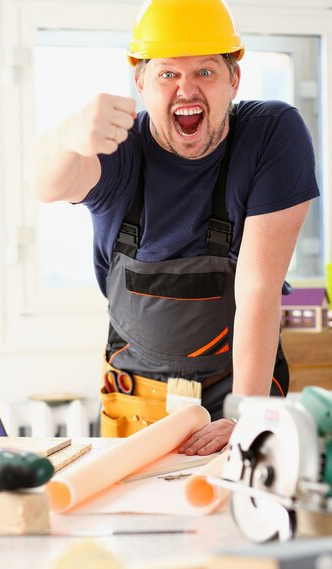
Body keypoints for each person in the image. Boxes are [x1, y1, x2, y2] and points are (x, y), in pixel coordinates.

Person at [26, 0, 319, 455]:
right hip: (137, 402)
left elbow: (258, 286)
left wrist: (246, 416)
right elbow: (45, 185)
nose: (186, 90)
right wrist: (66, 136)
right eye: (167, 74)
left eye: (205, 72)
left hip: (239, 389)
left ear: (233, 80)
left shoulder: (270, 134)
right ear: (140, 82)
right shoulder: (117, 147)